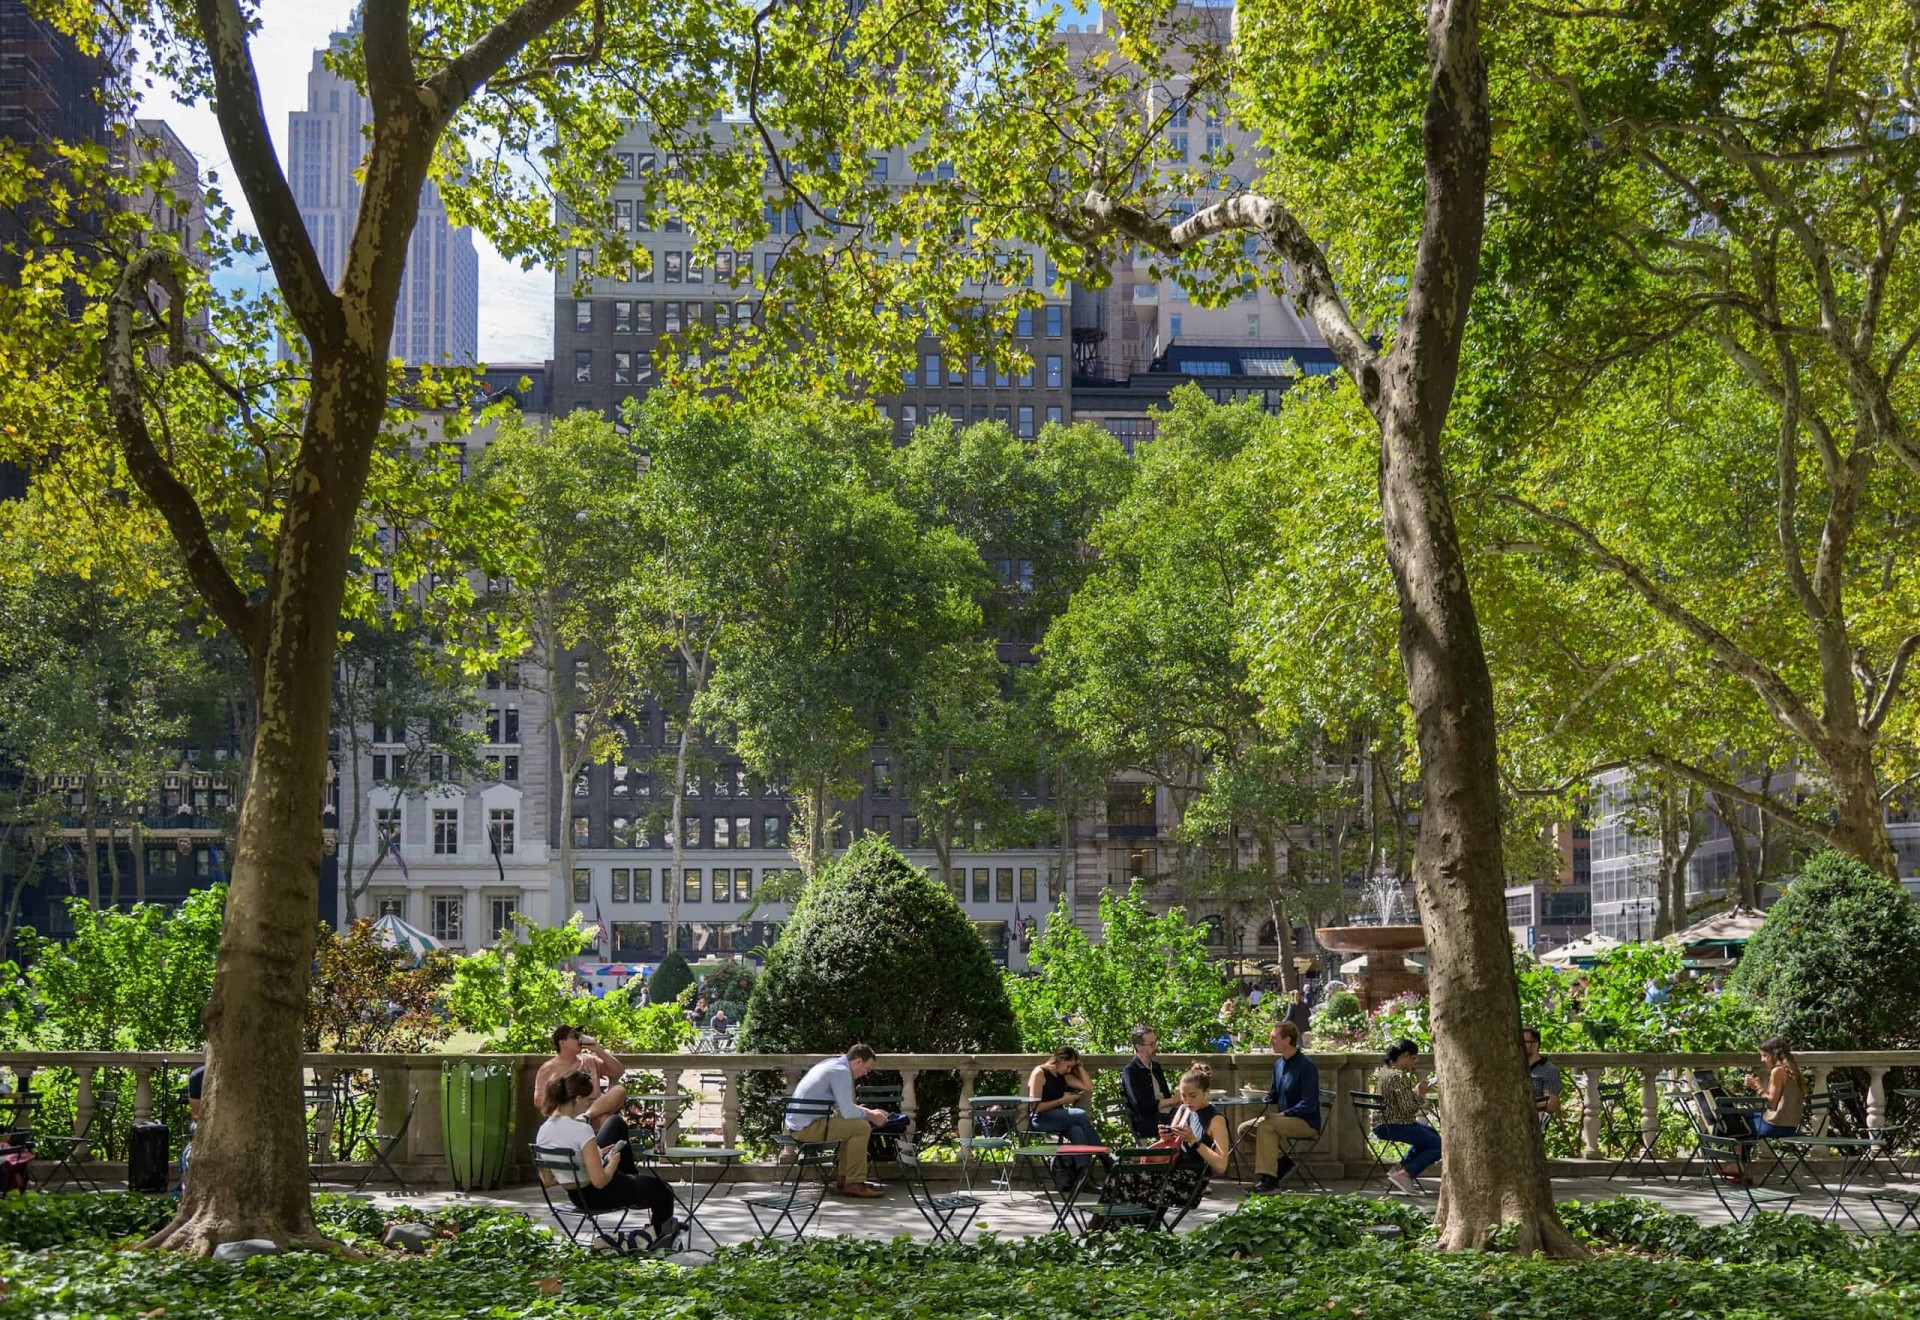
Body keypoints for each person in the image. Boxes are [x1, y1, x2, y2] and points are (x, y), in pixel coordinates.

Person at [535, 1070, 683, 1253]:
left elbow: (548, 1181)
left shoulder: (543, 1130)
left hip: (576, 1195)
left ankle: (633, 1180)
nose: (587, 1104)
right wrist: (612, 1161)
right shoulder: (580, 1130)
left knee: (615, 1122)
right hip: (600, 1195)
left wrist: (585, 1163)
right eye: (587, 1100)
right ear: (578, 1098)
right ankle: (660, 1240)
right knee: (664, 1191)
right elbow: (600, 1181)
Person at [786, 1043, 890, 1198]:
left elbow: (843, 1107)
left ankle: (846, 1179)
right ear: (858, 1062)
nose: (865, 1073)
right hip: (806, 1129)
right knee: (861, 1127)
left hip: (801, 1125)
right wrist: (872, 1116)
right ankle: (854, 1183)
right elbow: (848, 1112)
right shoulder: (841, 1072)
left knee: (854, 1126)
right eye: (866, 1068)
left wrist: (869, 1112)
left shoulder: (832, 1064)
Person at [1237, 1020, 1321, 1193]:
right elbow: (1273, 1095)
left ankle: (1269, 1180)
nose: (1271, 1042)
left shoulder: (1306, 1066)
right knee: (1245, 1128)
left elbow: (1309, 1103)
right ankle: (1282, 1163)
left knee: (1267, 1126)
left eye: (1274, 1038)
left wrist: (1282, 1115)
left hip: (1305, 1122)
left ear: (1287, 1039)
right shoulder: (1279, 1064)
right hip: (1283, 1119)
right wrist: (1255, 1092)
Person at [1027, 1046, 1111, 1187]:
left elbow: (1089, 1087)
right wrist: (1062, 1101)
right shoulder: (1040, 1073)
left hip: (1060, 1118)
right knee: (1080, 1114)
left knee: (1077, 1129)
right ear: (1060, 1059)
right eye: (1068, 1066)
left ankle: (1084, 1177)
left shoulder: (1063, 1076)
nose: (1069, 1070)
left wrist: (1079, 1065)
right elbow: (1035, 1108)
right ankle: (1105, 1158)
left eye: (1072, 1067)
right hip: (1041, 1118)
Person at [1372, 1039, 1441, 1195]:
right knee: (1439, 1145)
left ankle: (1401, 1168)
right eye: (1413, 1058)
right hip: (1394, 1124)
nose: (1414, 1063)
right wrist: (1419, 1093)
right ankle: (1406, 1174)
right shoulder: (1397, 1076)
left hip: (1387, 1123)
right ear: (1404, 1056)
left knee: (1432, 1134)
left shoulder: (1385, 1072)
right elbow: (1408, 1109)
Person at [534, 1025, 628, 1117]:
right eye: (574, 1036)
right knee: (604, 1120)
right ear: (562, 1043)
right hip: (567, 1115)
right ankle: (582, 1119)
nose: (579, 1039)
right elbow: (539, 1101)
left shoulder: (589, 1059)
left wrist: (598, 1050)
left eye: (579, 1036)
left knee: (619, 1090)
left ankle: (585, 1117)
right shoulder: (548, 1068)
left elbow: (618, 1072)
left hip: (593, 1111)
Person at [1160, 1063, 1230, 1177]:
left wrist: (1194, 1141)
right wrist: (1166, 1137)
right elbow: (1173, 1144)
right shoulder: (1183, 1109)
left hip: (1191, 1177)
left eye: (1193, 1096)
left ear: (1206, 1092)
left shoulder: (1216, 1119)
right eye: (1183, 1096)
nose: (1187, 1101)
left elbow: (1221, 1165)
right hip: (1172, 1170)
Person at [1119, 1024, 1177, 1141]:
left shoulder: (1156, 1067)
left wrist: (1178, 1101)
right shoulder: (1131, 1071)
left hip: (1166, 1115)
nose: (1155, 1047)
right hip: (1147, 1121)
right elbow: (1141, 1107)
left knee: (1196, 1114)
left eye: (1155, 1042)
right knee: (1188, 1121)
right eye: (1151, 1044)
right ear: (1139, 1047)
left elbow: (1166, 1096)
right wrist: (1172, 1101)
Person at [1746, 1036, 1804, 1138]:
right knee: (1746, 1116)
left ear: (1775, 1054)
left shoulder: (1778, 1071)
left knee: (1739, 1126)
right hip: (1791, 1125)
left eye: (1765, 1055)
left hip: (1776, 1125)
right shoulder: (1792, 1069)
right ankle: (1742, 1153)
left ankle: (1739, 1154)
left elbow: (1772, 1104)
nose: (1762, 1060)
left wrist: (1756, 1086)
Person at [1523, 1028, 1562, 1118]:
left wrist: (1525, 1105)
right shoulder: (1514, 1066)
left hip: (1533, 1119)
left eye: (1524, 1042)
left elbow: (1551, 1105)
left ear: (1535, 1045)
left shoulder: (1549, 1070)